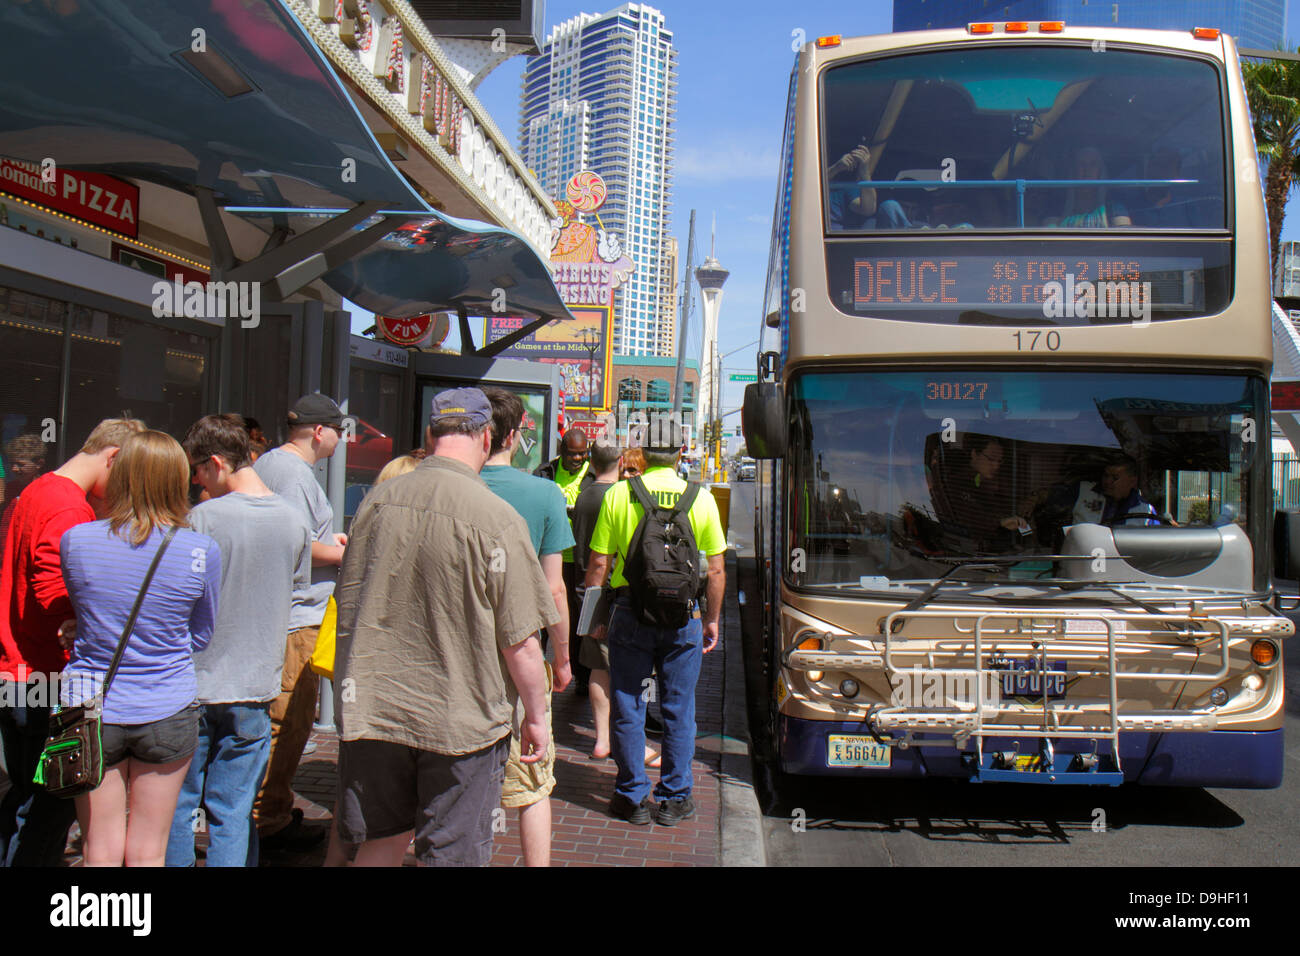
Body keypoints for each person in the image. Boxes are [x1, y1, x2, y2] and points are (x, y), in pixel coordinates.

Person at [330, 388, 555, 866]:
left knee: (379, 840)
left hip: (376, 706)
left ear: (431, 434)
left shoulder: (377, 501)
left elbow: (347, 598)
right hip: (461, 719)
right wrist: (535, 716)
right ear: (485, 435)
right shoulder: (498, 519)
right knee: (453, 851)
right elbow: (521, 642)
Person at [59, 430, 221, 867]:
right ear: (177, 480)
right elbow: (202, 636)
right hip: (166, 705)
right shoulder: (201, 550)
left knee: (98, 848)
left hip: (87, 706)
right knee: (150, 849)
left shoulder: (75, 541)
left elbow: (88, 611)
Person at [165, 415, 312, 867]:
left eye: (197, 469)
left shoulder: (201, 519)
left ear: (215, 463)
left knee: (180, 805)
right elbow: (297, 585)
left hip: (196, 682)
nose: (194, 479)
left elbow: (178, 596)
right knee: (233, 807)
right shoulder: (293, 521)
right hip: (255, 682)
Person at [0, 417, 144, 867]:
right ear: (114, 457)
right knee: (50, 801)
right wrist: (84, 613)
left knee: (28, 796)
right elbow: (51, 590)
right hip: (42, 672)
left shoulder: (41, 488)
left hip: (21, 669)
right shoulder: (69, 508)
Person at [586, 425, 727, 826]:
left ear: (643, 453)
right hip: (683, 618)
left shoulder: (619, 494)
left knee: (628, 704)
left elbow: (599, 564)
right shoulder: (700, 498)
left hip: (629, 613)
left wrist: (594, 619)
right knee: (679, 708)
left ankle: (632, 797)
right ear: (681, 453)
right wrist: (711, 620)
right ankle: (674, 798)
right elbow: (715, 570)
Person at [479, 387, 573, 867]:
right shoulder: (543, 493)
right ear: (514, 435)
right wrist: (563, 657)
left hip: (451, 654)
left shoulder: (450, 484)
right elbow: (554, 590)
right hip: (519, 655)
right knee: (532, 779)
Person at [251, 394, 347, 850]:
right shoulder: (291, 474)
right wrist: (343, 551)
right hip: (298, 616)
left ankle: (267, 812)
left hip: (292, 610)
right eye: (338, 430)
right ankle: (267, 819)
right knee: (289, 719)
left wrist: (330, 541)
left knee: (287, 717)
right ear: (319, 432)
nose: (341, 439)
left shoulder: (274, 465)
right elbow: (296, 544)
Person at [534, 428, 591, 691]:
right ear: (562, 451)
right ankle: (539, 670)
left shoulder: (594, 475)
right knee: (545, 613)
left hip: (580, 559)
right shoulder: (545, 473)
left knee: (579, 616)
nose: (577, 459)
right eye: (572, 454)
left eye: (582, 454)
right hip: (549, 556)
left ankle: (580, 674)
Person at [827, 143, 913, 230]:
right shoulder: (816, 186)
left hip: (834, 238)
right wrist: (836, 168)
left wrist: (864, 171)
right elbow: (815, 181)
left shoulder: (846, 188)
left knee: (890, 205)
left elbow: (868, 209)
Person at [1043, 146, 1132, 228]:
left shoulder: (1113, 207)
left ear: (1100, 172)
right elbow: (1048, 238)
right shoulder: (1058, 205)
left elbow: (1124, 236)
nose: (1087, 171)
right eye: (1082, 164)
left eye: (1093, 164)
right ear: (1074, 170)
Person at [0, 434, 49, 548]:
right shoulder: (10, 488)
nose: (14, 468)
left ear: (39, 463)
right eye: (12, 464)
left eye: (21, 464)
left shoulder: (45, 489)